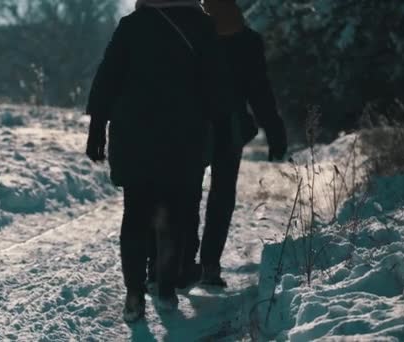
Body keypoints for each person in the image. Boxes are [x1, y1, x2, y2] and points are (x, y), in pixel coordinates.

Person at [85, 0, 223, 323]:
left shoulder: (132, 27)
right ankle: (163, 287)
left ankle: (134, 294)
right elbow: (217, 87)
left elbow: (106, 80)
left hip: (135, 138)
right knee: (176, 213)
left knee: (135, 213)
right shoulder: (202, 27)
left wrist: (96, 131)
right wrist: (222, 135)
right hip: (184, 139)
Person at [193, 0, 288, 286]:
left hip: (192, 126)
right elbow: (259, 90)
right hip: (229, 127)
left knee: (186, 194)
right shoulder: (247, 40)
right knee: (222, 195)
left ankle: (182, 262)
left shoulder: (192, 33)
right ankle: (209, 265)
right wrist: (275, 131)